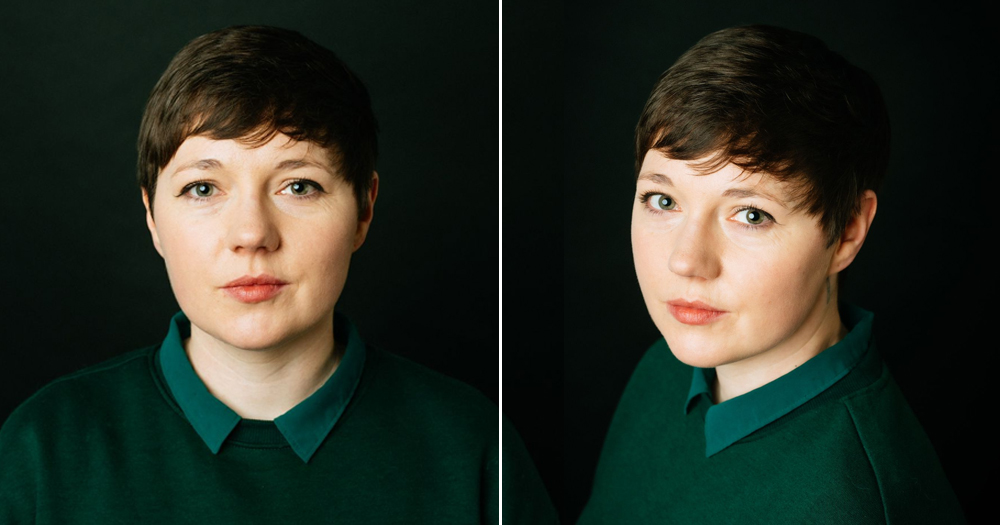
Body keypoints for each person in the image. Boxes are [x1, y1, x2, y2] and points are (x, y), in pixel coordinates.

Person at [0, 25, 555, 524]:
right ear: (152, 219)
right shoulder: (42, 449)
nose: (252, 233)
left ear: (364, 208)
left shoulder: (472, 449)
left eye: (299, 186)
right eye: (203, 188)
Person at [577, 25, 965, 523]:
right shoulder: (662, 371)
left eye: (751, 214)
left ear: (846, 232)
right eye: (664, 200)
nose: (685, 261)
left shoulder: (852, 503)